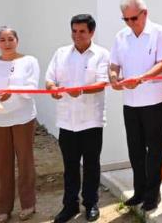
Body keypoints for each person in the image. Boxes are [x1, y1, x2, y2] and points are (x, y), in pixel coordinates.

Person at [109, 0, 162, 212]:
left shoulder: (159, 33)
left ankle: (153, 194)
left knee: (154, 149)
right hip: (131, 101)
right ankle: (139, 190)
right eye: (125, 19)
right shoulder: (121, 36)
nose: (130, 23)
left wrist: (142, 78)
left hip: (155, 99)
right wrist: (113, 77)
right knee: (135, 149)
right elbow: (114, 64)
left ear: (145, 13)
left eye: (134, 18)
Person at [45, 14, 110, 223]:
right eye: (74, 31)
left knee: (91, 165)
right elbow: (49, 79)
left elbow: (101, 83)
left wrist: (80, 90)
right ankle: (69, 205)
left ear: (91, 32)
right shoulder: (61, 53)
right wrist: (53, 89)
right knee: (70, 166)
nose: (77, 35)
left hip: (91, 120)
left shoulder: (101, 54)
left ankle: (91, 204)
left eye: (82, 31)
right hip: (67, 121)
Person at [0, 27, 41, 223]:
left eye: (10, 39)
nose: (7, 43)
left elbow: (31, 89)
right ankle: (4, 208)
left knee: (25, 162)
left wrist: (12, 91)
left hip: (23, 118)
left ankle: (28, 204)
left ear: (17, 40)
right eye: (2, 39)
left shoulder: (29, 61)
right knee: (2, 165)